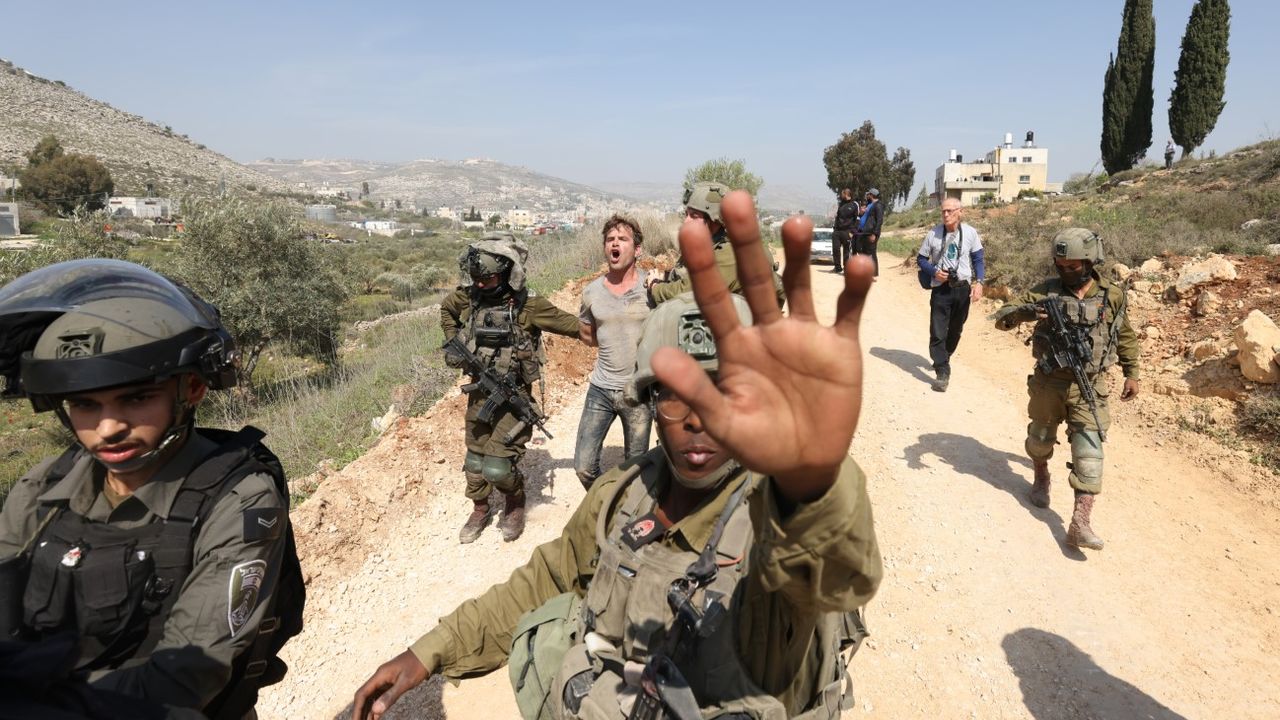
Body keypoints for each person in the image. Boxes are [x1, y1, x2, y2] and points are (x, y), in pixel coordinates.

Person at [352, 191, 882, 720]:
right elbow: (544, 581)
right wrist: (429, 652)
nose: (699, 419)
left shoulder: (775, 517)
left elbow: (836, 574)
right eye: (677, 396)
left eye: (723, 394)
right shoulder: (622, 496)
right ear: (651, 401)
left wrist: (816, 481)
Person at [0, 259, 304, 719]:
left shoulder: (239, 500)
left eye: (136, 398)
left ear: (192, 389)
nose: (108, 428)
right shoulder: (45, 485)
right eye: (84, 405)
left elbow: (186, 674)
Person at [992, 228, 1141, 551]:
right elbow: (1001, 319)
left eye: (1073, 266)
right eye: (1060, 266)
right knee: (1040, 439)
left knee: (1090, 451)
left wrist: (1132, 373)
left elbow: (1124, 335)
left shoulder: (1112, 295)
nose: (1066, 272)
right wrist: (1025, 313)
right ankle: (1041, 475)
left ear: (1090, 262)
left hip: (1090, 384)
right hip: (1049, 382)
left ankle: (1080, 523)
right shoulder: (1046, 291)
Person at [442, 233, 583, 543]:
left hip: (513, 398)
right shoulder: (471, 297)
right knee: (474, 462)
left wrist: (616, 328)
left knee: (496, 468)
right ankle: (480, 509)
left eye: (488, 279)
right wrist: (454, 342)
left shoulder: (528, 305)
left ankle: (515, 501)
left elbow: (574, 326)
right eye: (477, 279)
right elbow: (446, 310)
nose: (481, 285)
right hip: (478, 395)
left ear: (507, 274)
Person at [574, 214, 653, 489]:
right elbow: (588, 335)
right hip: (600, 390)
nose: (615, 244)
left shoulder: (652, 288)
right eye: (610, 239)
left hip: (638, 391)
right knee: (583, 467)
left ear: (637, 249)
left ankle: (628, 509)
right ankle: (604, 503)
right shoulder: (591, 292)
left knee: (636, 470)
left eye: (622, 239)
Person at [646, 181, 786, 308]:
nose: (686, 221)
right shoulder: (709, 244)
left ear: (715, 220)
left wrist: (655, 287)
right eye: (687, 214)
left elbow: (688, 293)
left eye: (694, 216)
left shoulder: (732, 254)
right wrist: (665, 276)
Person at [916, 198, 985, 392]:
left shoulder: (970, 233)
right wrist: (934, 272)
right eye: (943, 211)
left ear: (960, 212)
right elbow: (921, 259)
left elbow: (978, 259)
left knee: (955, 330)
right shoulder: (933, 234)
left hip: (962, 288)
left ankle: (943, 357)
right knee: (938, 331)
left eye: (950, 211)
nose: (946, 214)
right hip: (941, 288)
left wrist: (979, 282)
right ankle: (942, 371)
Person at [852, 187, 884, 277]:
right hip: (864, 231)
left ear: (872, 195)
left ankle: (874, 273)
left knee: (871, 253)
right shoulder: (870, 204)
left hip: (871, 232)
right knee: (861, 250)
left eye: (868, 194)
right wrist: (862, 212)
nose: (867, 195)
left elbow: (879, 220)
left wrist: (875, 234)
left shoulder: (878, 205)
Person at [831, 187, 859, 274]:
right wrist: (835, 228)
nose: (841, 195)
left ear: (847, 194)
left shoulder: (854, 204)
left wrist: (852, 232)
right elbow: (837, 217)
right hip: (837, 231)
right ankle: (837, 268)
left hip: (847, 231)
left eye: (842, 194)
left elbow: (857, 219)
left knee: (846, 252)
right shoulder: (841, 203)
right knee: (835, 249)